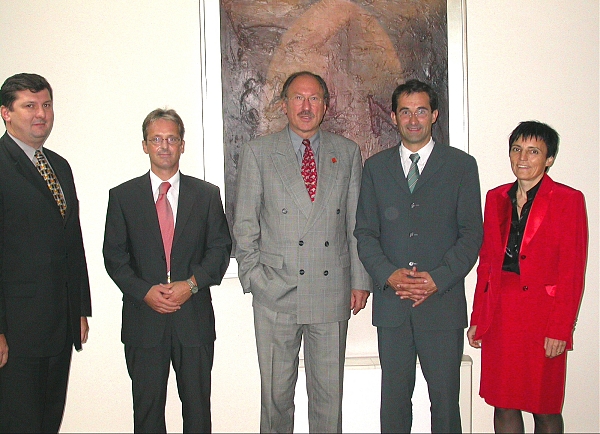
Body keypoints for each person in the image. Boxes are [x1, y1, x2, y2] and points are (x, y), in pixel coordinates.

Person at [233, 71, 372, 433]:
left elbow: (356, 223)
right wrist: (254, 278)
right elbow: (244, 224)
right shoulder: (259, 152)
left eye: (314, 99)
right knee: (276, 399)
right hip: (275, 292)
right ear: (284, 105)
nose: (306, 106)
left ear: (325, 106)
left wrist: (360, 280)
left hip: (330, 290)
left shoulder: (346, 152)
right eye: (298, 98)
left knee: (328, 399)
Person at [354, 79, 483, 433]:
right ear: (394, 117)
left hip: (442, 305)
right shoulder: (375, 168)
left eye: (421, 111)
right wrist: (389, 274)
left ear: (434, 115)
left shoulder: (461, 166)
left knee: (445, 402)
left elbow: (471, 235)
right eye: (406, 112)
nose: (413, 120)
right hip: (392, 306)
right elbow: (365, 233)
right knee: (394, 403)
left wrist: (437, 279)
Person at [103, 108, 231, 433]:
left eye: (171, 139)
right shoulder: (123, 197)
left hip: (194, 321)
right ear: (144, 145)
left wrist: (192, 284)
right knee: (147, 416)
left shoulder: (206, 195)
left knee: (198, 414)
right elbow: (114, 256)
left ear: (182, 145)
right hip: (143, 322)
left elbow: (220, 250)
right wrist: (144, 291)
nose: (164, 146)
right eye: (156, 139)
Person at [467, 121, 588, 433]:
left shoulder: (568, 200)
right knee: (503, 403)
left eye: (533, 151)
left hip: (543, 319)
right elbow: (487, 264)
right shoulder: (495, 198)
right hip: (501, 316)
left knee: (544, 407)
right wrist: (479, 317)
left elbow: (572, 271)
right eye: (517, 149)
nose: (523, 157)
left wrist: (561, 329)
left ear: (549, 159)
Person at [0, 73, 92, 432]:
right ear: (6, 113)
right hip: (16, 332)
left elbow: (72, 242)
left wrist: (78, 308)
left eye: (46, 105)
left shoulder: (59, 166)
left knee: (48, 422)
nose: (41, 113)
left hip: (59, 325)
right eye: (30, 106)